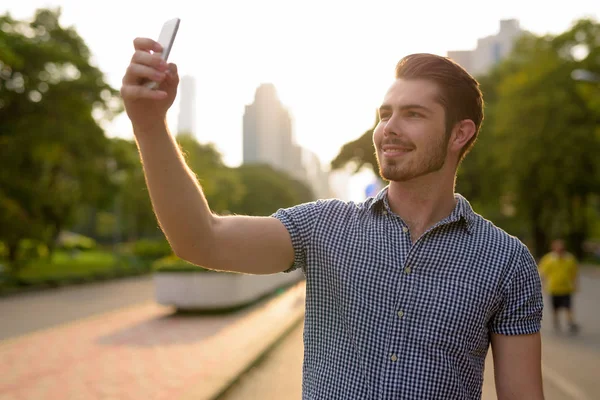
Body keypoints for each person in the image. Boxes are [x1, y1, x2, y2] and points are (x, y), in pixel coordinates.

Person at [120, 38, 545, 399]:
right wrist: (149, 125)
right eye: (385, 114)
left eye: (413, 114)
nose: (388, 129)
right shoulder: (324, 226)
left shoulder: (506, 261)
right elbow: (201, 240)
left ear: (460, 133)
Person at [538, 239, 580, 334]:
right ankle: (556, 321)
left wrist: (575, 283)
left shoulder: (569, 258)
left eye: (561, 248)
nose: (560, 250)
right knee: (555, 308)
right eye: (558, 248)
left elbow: (574, 272)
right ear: (554, 248)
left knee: (568, 306)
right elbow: (542, 272)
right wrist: (542, 284)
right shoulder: (549, 259)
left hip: (566, 288)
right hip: (553, 288)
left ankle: (570, 322)